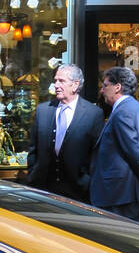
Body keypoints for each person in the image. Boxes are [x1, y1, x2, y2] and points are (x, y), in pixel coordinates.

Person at [89, 67, 139, 221]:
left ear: (117, 87)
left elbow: (134, 152)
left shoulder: (122, 112)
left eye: (105, 85)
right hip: (130, 193)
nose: (102, 90)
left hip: (118, 194)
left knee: (113, 243)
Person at [26, 64, 103, 201]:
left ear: (75, 85)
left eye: (61, 81)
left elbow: (97, 155)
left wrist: (87, 180)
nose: (56, 85)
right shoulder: (43, 110)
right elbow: (33, 149)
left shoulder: (93, 114)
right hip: (42, 191)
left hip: (78, 193)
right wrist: (32, 175)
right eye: (55, 80)